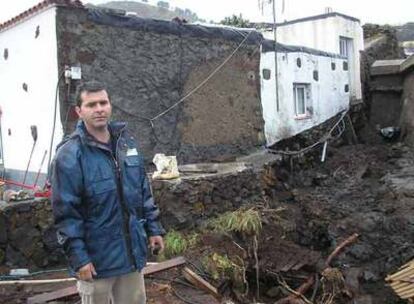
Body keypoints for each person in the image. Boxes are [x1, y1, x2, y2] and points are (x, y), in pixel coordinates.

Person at [51, 81, 165, 304]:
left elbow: (142, 192)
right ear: (78, 111)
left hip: (131, 257)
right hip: (96, 264)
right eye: (91, 104)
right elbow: (66, 214)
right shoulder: (70, 155)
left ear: (110, 106)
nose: (99, 108)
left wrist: (153, 229)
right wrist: (80, 259)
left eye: (103, 102)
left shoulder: (126, 145)